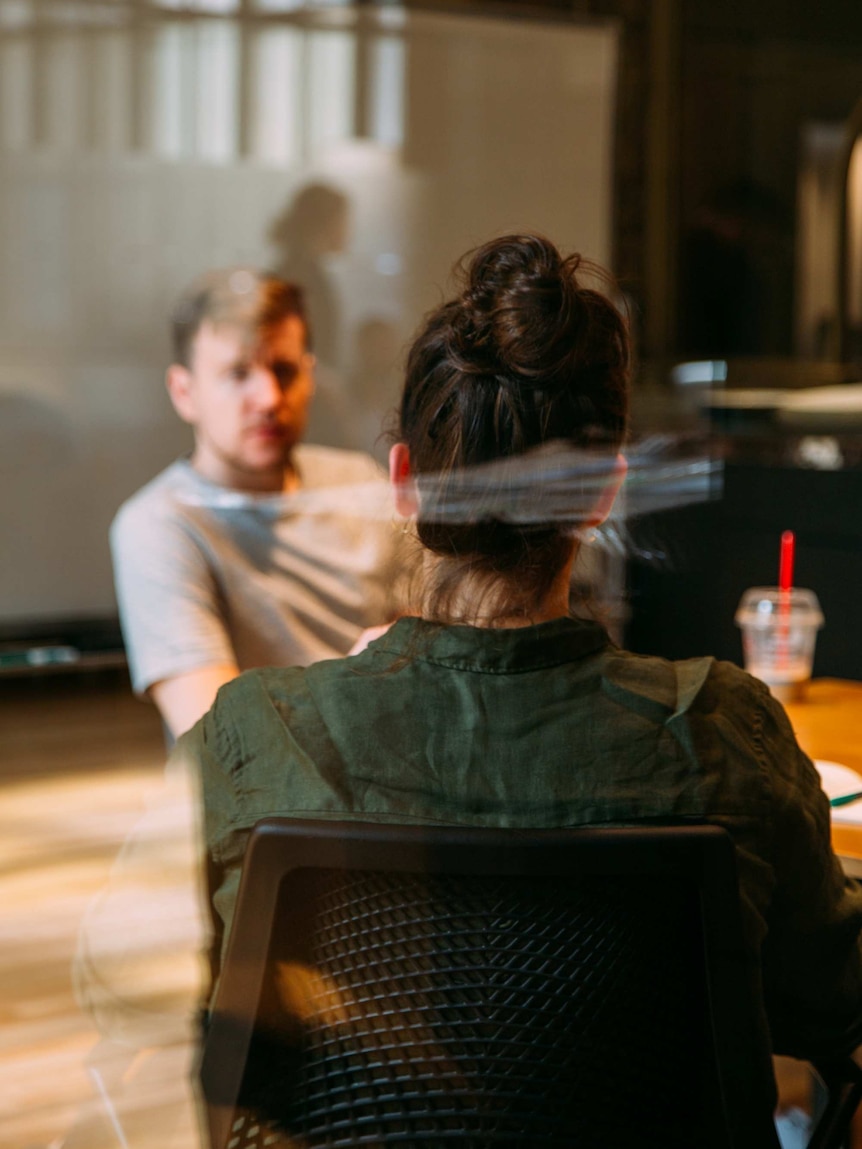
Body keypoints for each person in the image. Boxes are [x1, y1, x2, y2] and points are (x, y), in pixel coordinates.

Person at [177, 235, 862, 1093]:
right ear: (606, 492)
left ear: (403, 480)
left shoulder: (246, 742)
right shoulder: (725, 735)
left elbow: (161, 999)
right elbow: (832, 1004)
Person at [111, 268, 404, 739]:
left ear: (310, 377)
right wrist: (359, 679)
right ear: (184, 393)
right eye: (237, 373)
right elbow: (218, 736)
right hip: (265, 808)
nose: (268, 398)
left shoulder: (361, 482)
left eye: (284, 371)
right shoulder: (159, 524)